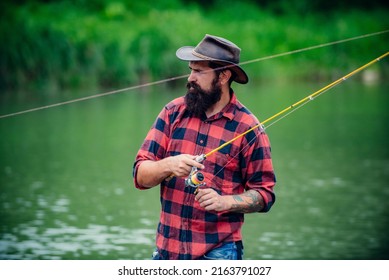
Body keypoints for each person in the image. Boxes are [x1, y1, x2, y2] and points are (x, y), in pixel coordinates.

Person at [133, 34, 276, 260]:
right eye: (191, 70)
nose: (190, 78)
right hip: (166, 253)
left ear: (223, 76)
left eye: (199, 71)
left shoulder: (249, 128)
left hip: (220, 254)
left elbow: (265, 194)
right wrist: (169, 165)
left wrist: (224, 201)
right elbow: (140, 175)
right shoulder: (172, 113)